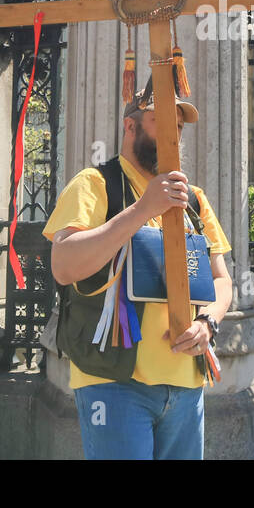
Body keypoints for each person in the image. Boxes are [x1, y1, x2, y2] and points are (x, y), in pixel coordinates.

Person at [41, 81, 233, 459]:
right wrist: (143, 210)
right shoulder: (94, 183)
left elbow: (221, 279)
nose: (173, 136)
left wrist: (209, 321)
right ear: (130, 127)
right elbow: (63, 266)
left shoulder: (194, 198)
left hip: (185, 385)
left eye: (178, 127)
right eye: (160, 123)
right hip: (114, 385)